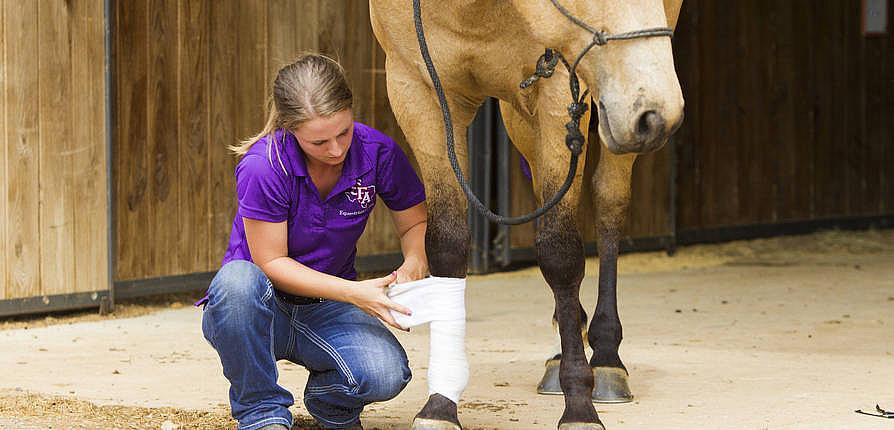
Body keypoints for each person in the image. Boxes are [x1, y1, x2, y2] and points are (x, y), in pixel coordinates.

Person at [197, 53, 428, 430]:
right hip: (258, 308)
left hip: (326, 308)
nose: (336, 150)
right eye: (319, 142)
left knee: (386, 374)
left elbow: (413, 221)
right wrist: (355, 293)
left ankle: (331, 405)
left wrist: (415, 260)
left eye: (344, 133)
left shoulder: (377, 151)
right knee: (236, 282)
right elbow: (272, 263)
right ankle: (261, 413)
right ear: (290, 129)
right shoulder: (264, 165)